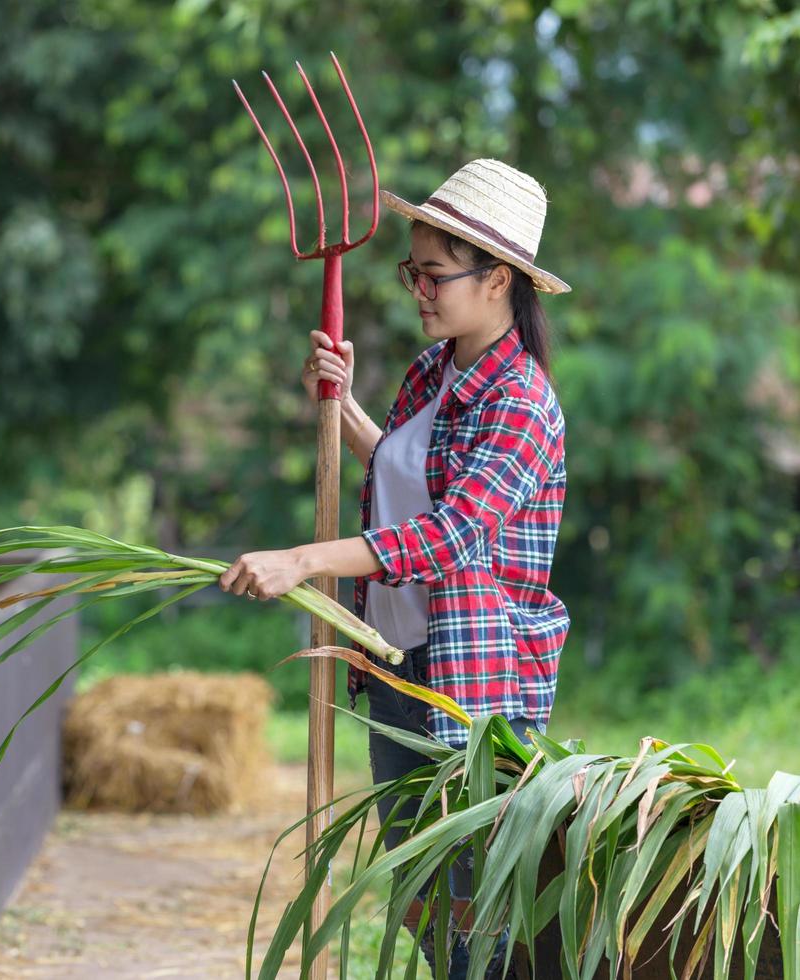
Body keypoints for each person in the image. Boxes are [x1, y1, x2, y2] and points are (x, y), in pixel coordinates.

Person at [218, 159, 570, 977]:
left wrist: (304, 560)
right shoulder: (433, 371)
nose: (418, 288)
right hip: (394, 671)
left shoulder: (521, 400)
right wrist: (341, 406)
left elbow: (451, 535)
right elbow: (403, 479)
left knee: (472, 909)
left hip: (471, 690)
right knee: (419, 895)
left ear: (500, 280)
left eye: (435, 274)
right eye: (414, 270)